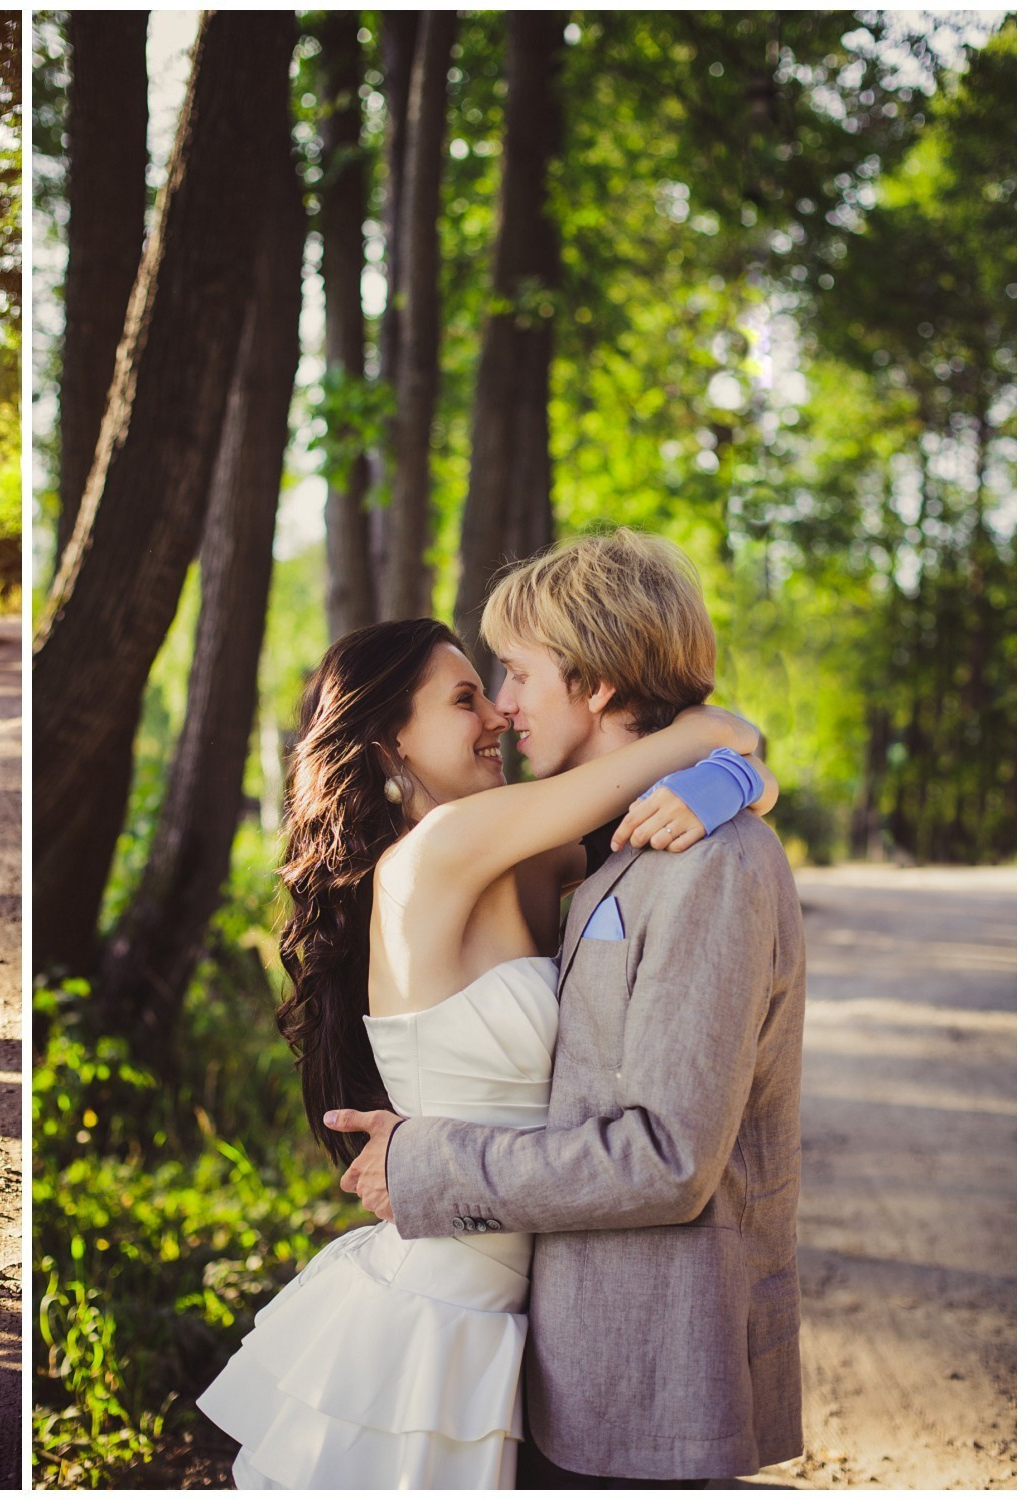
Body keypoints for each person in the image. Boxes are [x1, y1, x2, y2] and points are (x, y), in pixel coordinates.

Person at [199, 530, 802, 1488]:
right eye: (468, 695)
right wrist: (730, 761)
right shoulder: (439, 853)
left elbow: (665, 803)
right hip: (446, 1313)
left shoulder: (543, 862)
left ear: (595, 682)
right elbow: (700, 735)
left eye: (505, 679)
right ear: (393, 743)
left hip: (540, 1325)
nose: (499, 711)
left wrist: (742, 779)